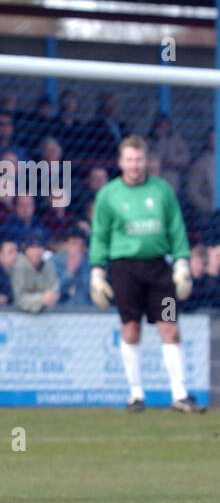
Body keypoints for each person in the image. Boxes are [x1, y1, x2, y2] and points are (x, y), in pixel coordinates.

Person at [89, 135, 202, 412]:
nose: (135, 165)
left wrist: (182, 263)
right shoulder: (108, 195)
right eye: (129, 160)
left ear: (146, 161)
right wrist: (96, 272)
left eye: (139, 160)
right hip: (124, 269)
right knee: (131, 327)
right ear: (120, 162)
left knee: (169, 324)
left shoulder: (162, 190)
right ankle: (136, 395)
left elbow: (176, 229)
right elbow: (99, 235)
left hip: (158, 270)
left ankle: (179, 393)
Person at [9, 234, 60, 313]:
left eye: (39, 247)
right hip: (19, 315)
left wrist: (51, 297)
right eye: (32, 247)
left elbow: (55, 290)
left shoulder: (48, 264)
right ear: (25, 249)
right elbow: (18, 299)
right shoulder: (19, 265)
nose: (36, 252)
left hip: (46, 314)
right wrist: (41, 299)